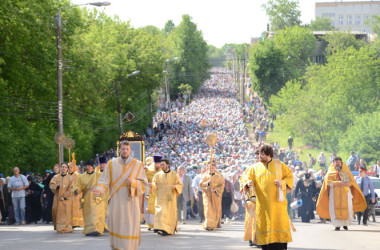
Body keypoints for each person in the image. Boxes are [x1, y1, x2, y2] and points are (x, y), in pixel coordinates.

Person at [94, 140, 148, 250]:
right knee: (117, 225)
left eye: (127, 149)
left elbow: (144, 184)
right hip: (116, 201)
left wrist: (133, 182)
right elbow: (104, 181)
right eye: (123, 149)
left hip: (131, 203)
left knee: (129, 226)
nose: (125, 151)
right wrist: (99, 190)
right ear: (119, 150)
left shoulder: (138, 165)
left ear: (130, 151)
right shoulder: (111, 164)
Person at [244, 145, 293, 250]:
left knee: (278, 226)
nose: (260, 156)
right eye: (260, 154)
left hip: (277, 204)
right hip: (263, 205)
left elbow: (289, 177)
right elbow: (247, 179)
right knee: (264, 226)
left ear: (269, 155)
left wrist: (282, 182)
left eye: (262, 154)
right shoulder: (255, 167)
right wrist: (248, 183)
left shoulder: (280, 165)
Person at [316, 157, 367, 231]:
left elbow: (352, 182)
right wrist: (338, 183)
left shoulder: (346, 171)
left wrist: (348, 184)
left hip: (346, 193)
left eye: (338, 162)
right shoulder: (330, 172)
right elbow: (328, 182)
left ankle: (345, 224)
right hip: (334, 193)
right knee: (334, 208)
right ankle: (337, 225)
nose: (337, 164)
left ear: (341, 163)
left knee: (348, 208)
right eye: (336, 162)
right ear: (333, 163)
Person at [75, 159, 106, 236]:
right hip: (87, 199)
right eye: (86, 166)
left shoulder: (98, 175)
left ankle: (97, 230)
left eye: (89, 166)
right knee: (88, 216)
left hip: (97, 198)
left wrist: (98, 189)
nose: (87, 167)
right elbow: (77, 185)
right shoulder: (81, 177)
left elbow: (103, 184)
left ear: (92, 167)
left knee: (96, 214)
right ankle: (89, 231)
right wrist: (76, 190)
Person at [152, 159, 183, 236]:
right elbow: (154, 183)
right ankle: (161, 228)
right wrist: (152, 185)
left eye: (163, 164)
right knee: (160, 212)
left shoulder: (174, 174)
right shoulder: (157, 175)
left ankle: (168, 229)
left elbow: (180, 185)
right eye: (161, 164)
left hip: (170, 199)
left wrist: (174, 186)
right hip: (160, 198)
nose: (161, 166)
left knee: (168, 214)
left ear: (168, 165)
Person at [199, 162, 225, 231]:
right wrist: (207, 183)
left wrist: (216, 190)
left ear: (215, 167)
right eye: (209, 168)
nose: (211, 169)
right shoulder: (204, 175)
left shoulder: (219, 176)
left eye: (212, 168)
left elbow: (222, 185)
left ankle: (215, 224)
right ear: (207, 167)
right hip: (207, 195)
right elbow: (201, 185)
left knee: (215, 210)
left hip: (215, 196)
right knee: (208, 209)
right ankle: (208, 225)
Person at [50, 162, 73, 233]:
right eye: (62, 167)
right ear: (60, 168)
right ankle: (59, 228)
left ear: (67, 169)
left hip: (66, 199)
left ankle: (66, 228)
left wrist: (65, 197)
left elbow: (71, 188)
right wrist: (57, 186)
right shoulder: (56, 177)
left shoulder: (70, 178)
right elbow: (51, 185)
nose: (64, 168)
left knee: (66, 214)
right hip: (57, 198)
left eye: (65, 167)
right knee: (57, 212)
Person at [145, 154, 163, 230]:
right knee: (150, 207)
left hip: (159, 192)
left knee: (159, 208)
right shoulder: (149, 169)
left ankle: (158, 224)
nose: (157, 165)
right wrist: (147, 183)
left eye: (158, 164)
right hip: (150, 191)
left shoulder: (163, 170)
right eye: (156, 163)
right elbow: (144, 178)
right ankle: (150, 224)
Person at [68, 162, 83, 228]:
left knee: (76, 209)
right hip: (68, 194)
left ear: (73, 168)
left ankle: (76, 223)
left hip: (75, 194)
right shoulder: (66, 175)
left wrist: (77, 190)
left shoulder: (77, 175)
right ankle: (70, 222)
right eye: (68, 167)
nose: (70, 169)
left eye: (71, 167)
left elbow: (79, 184)